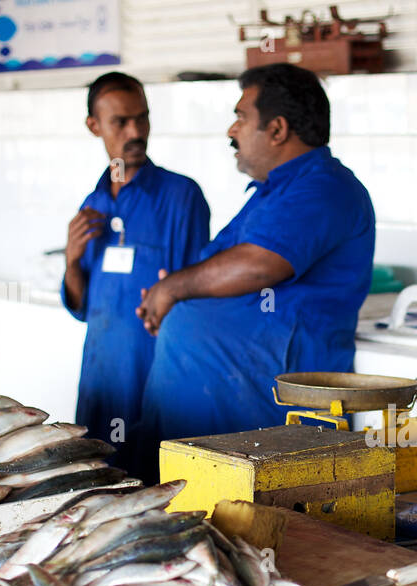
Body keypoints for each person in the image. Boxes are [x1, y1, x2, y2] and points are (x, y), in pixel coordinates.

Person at [134, 63, 375, 479]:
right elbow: (227, 268)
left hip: (261, 428)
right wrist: (173, 293)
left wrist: (174, 288)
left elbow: (260, 264)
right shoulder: (271, 192)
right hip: (213, 423)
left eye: (241, 117)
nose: (232, 130)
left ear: (277, 129)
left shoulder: (325, 188)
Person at [61, 71, 210, 475]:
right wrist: (72, 261)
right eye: (120, 122)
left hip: (154, 379)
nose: (135, 131)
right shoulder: (92, 203)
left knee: (151, 489)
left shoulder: (181, 197)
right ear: (94, 126)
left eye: (142, 118)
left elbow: (194, 302)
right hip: (100, 377)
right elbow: (80, 307)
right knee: (93, 483)